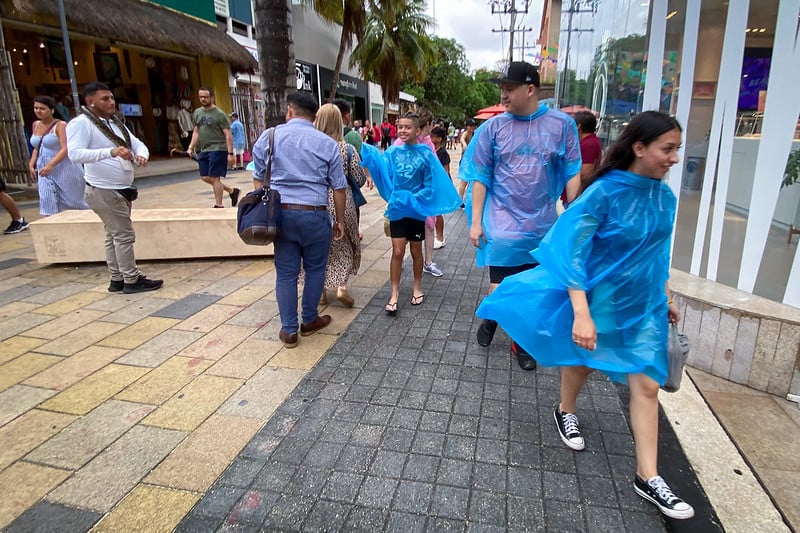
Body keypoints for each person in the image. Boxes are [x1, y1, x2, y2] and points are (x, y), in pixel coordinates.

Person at [475, 111, 694, 520]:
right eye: (668, 149)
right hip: (602, 299)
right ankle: (565, 410)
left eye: (677, 149)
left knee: (647, 385)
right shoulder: (604, 193)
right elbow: (569, 249)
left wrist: (665, 294)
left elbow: (658, 252)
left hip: (644, 305)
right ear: (639, 148)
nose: (674, 158)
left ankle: (648, 476)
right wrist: (581, 312)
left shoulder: (664, 197)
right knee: (583, 361)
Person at [460, 61, 581, 370]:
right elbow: (480, 176)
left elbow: (571, 170)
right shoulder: (493, 129)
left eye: (509, 89)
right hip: (501, 222)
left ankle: (511, 334)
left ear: (530, 89)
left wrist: (573, 213)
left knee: (532, 288)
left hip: (541, 223)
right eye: (502, 89)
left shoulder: (562, 126)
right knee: (500, 285)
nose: (504, 95)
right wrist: (475, 222)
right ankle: (500, 321)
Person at [251, 92, 347, 348]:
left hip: (281, 214)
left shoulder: (270, 136)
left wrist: (264, 204)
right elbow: (339, 187)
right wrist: (339, 220)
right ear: (314, 116)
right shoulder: (328, 144)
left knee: (286, 272)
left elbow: (258, 176)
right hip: (315, 213)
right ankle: (310, 319)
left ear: (289, 111)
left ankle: (290, 330)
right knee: (316, 268)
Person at [66, 81, 163, 294]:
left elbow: (136, 143)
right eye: (105, 99)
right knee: (123, 235)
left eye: (111, 98)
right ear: (90, 102)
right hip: (103, 189)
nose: (111, 102)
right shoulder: (82, 123)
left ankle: (118, 278)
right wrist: (109, 152)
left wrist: (142, 155)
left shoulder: (114, 123)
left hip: (120, 187)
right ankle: (131, 278)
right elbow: (75, 154)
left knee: (113, 234)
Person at [361, 112, 461, 315]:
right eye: (400, 127)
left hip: (416, 211)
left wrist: (413, 198)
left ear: (417, 130)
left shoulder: (425, 154)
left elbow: (430, 185)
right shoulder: (392, 152)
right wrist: (369, 157)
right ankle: (394, 293)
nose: (403, 131)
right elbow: (383, 172)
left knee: (416, 251)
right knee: (397, 252)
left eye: (407, 127)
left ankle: (417, 287)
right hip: (397, 210)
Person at [314, 104, 364, 307]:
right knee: (346, 243)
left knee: (320, 248)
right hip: (343, 201)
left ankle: (321, 292)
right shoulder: (347, 149)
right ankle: (342, 287)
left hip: (317, 201)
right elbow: (359, 178)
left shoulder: (312, 147)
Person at [28, 95, 89, 216]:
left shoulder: (60, 125)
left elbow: (65, 148)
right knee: (46, 198)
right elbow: (37, 147)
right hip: (43, 167)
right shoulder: (36, 125)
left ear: (52, 110)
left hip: (63, 166)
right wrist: (31, 164)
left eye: (42, 108)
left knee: (72, 200)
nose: (38, 111)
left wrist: (50, 165)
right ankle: (51, 222)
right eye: (36, 108)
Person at [187, 87, 240, 208]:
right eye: (201, 97)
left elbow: (228, 134)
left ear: (212, 97)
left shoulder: (219, 114)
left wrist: (230, 153)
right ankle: (232, 191)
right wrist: (191, 147)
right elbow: (196, 131)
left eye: (205, 97)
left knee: (215, 177)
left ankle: (219, 204)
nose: (203, 99)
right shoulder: (197, 113)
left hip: (218, 148)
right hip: (204, 149)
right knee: (205, 177)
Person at [562, 110, 603, 208]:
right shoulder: (591, 142)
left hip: (577, 197)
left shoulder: (588, 145)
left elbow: (585, 173)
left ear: (578, 127)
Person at [430, 126, 450, 249]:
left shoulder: (442, 153)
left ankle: (440, 237)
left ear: (439, 138)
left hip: (438, 186)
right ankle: (434, 236)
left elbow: (446, 172)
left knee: (437, 212)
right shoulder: (430, 150)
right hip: (430, 185)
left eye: (433, 136)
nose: (431, 138)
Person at [457, 118, 478, 204]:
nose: (473, 127)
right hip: (465, 161)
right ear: (467, 126)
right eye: (471, 126)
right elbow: (462, 139)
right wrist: (464, 144)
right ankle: (460, 201)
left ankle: (469, 199)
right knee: (464, 182)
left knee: (472, 181)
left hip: (473, 160)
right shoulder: (465, 133)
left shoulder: (475, 134)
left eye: (474, 126)